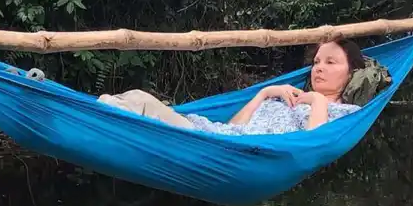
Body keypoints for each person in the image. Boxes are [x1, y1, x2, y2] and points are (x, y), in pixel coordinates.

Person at [99, 40, 390, 135]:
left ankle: (94, 116)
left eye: (330, 62)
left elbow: (315, 141)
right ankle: (89, 113)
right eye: (316, 62)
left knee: (139, 100)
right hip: (216, 137)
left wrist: (317, 101)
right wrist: (265, 93)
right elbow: (233, 126)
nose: (319, 68)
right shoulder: (286, 98)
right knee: (137, 100)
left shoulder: (346, 112)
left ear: (351, 73)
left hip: (230, 151)